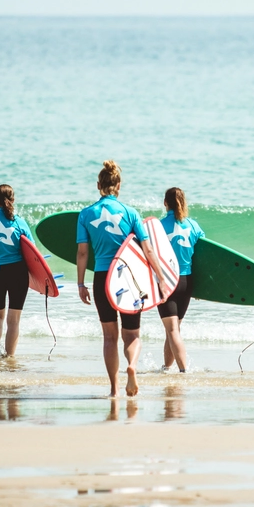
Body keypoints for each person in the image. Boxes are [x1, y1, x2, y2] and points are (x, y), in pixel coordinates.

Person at [76, 160, 167, 397]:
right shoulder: (130, 213)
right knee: (132, 334)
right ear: (119, 185)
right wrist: (161, 278)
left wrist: (80, 283)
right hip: (128, 278)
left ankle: (114, 389)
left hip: (102, 279)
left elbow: (83, 252)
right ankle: (132, 366)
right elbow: (147, 251)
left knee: (109, 337)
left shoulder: (86, 214)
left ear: (99, 185)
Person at [0, 184, 33, 358]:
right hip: (18, 273)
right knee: (14, 319)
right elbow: (32, 253)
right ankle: (9, 357)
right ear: (13, 200)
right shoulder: (20, 222)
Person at [158, 187, 204, 372]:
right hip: (186, 283)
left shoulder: (158, 227)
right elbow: (204, 258)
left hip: (166, 282)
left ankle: (184, 371)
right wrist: (203, 287)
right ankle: (166, 368)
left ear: (165, 203)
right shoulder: (193, 226)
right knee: (173, 329)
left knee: (172, 330)